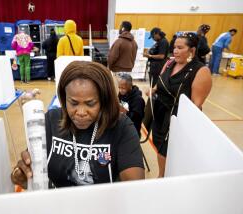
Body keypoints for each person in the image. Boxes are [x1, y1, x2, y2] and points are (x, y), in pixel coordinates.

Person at [11, 61, 145, 189]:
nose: (81, 112)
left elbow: (134, 188)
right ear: (64, 99)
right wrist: (23, 175)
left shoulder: (121, 126)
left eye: (90, 104)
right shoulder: (51, 120)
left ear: (103, 101)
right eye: (73, 103)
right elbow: (30, 170)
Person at [148, 32, 212, 178]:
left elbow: (196, 105)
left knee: (167, 150)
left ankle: (163, 177)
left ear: (192, 51)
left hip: (178, 119)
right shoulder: (170, 63)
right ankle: (163, 174)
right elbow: (160, 84)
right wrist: (152, 90)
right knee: (160, 147)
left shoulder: (200, 71)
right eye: (174, 47)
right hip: (160, 113)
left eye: (180, 47)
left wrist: (184, 126)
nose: (175, 50)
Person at [118, 73, 145, 137]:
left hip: (132, 131)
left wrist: (125, 112)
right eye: (119, 87)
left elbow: (136, 119)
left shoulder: (138, 100)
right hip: (122, 125)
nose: (120, 90)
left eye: (123, 88)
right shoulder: (122, 94)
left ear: (130, 86)